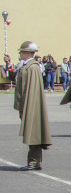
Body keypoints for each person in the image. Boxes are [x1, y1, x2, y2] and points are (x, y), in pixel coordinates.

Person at [13, 41, 51, 170]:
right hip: (26, 104)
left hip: (31, 105)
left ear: (28, 53)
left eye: (22, 51)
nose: (20, 53)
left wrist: (29, 106)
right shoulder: (26, 66)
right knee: (30, 133)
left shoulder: (32, 67)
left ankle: (34, 162)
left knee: (33, 133)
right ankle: (34, 161)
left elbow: (32, 90)